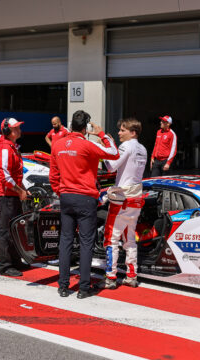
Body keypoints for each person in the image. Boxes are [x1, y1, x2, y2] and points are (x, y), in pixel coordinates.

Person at [49, 110, 119, 299]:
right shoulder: (87, 144)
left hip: (66, 197)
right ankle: (84, 288)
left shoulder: (57, 144)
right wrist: (102, 134)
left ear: (70, 125)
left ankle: (63, 286)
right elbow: (114, 153)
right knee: (86, 242)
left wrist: (61, 191)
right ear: (85, 128)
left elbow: (53, 175)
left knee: (65, 241)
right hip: (86, 198)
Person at [99, 118, 147, 289]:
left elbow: (111, 166)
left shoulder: (127, 146)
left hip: (122, 199)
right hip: (136, 198)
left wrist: (106, 149)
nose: (119, 133)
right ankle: (131, 275)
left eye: (122, 130)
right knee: (129, 239)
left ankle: (110, 277)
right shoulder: (142, 148)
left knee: (111, 238)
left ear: (132, 132)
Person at [0, 118, 30, 277]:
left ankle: (14, 261)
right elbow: (5, 177)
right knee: (6, 231)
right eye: (16, 128)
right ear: (8, 131)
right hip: (6, 195)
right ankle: (5, 266)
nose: (19, 130)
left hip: (11, 194)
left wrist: (22, 189)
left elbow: (13, 176)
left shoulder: (11, 147)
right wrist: (20, 191)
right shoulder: (5, 149)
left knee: (15, 230)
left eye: (19, 127)